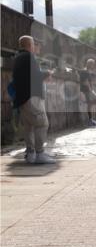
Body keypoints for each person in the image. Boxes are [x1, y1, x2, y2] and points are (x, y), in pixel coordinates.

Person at [12, 35, 55, 164]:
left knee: (29, 127)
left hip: (22, 98)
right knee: (42, 123)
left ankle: (30, 154)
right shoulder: (29, 57)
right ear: (30, 45)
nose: (36, 46)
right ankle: (40, 153)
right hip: (32, 97)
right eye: (34, 44)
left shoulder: (18, 57)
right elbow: (36, 77)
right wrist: (48, 73)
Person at [78, 58, 96, 126]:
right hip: (87, 90)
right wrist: (90, 89)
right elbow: (85, 82)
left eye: (93, 64)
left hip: (87, 89)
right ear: (88, 64)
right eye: (92, 64)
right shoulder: (85, 71)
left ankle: (91, 120)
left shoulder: (87, 71)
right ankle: (90, 120)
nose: (93, 66)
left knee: (90, 104)